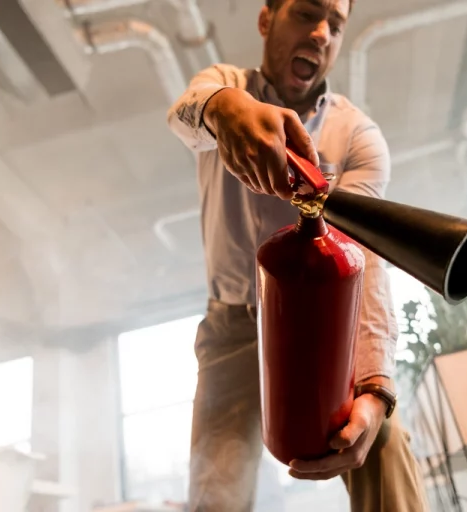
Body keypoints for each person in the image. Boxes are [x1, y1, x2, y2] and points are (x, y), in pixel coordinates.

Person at [167, 0, 429, 510]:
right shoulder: (224, 83)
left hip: (330, 321)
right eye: (307, 12)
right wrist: (223, 109)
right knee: (214, 490)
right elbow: (186, 113)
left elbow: (367, 260)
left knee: (381, 442)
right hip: (234, 330)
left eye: (335, 24)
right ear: (266, 20)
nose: (321, 33)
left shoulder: (358, 138)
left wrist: (375, 388)